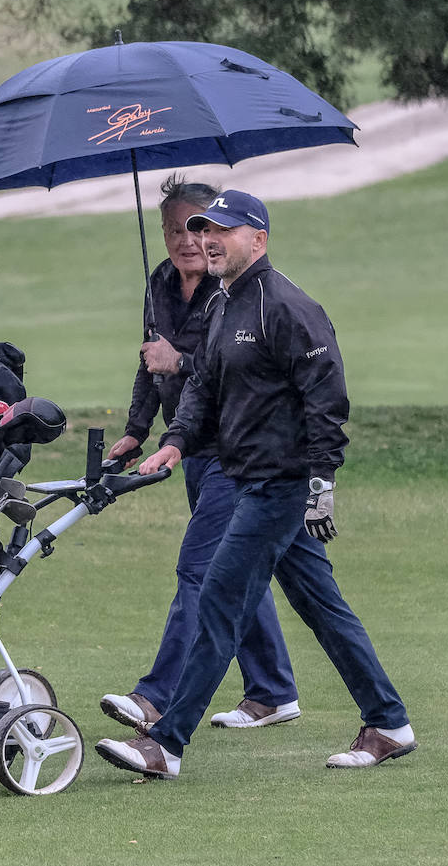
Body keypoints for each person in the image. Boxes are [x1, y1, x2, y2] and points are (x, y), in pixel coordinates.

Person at [96, 190, 416, 779]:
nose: (209, 239)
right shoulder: (223, 305)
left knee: (219, 598)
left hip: (281, 484)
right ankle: (389, 722)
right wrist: (174, 441)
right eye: (203, 228)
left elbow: (327, 402)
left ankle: (165, 741)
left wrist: (322, 482)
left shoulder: (288, 307)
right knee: (321, 606)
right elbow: (204, 390)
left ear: (258, 239)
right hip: (246, 479)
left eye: (223, 229)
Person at [99, 176, 299, 734]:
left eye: (198, 227)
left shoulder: (230, 287)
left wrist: (178, 361)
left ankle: (156, 698)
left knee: (200, 569)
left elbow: (222, 375)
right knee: (236, 567)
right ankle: (273, 690)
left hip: (233, 452)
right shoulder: (159, 283)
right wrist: (138, 429)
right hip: (184, 448)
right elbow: (148, 360)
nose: (187, 241)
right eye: (174, 229)